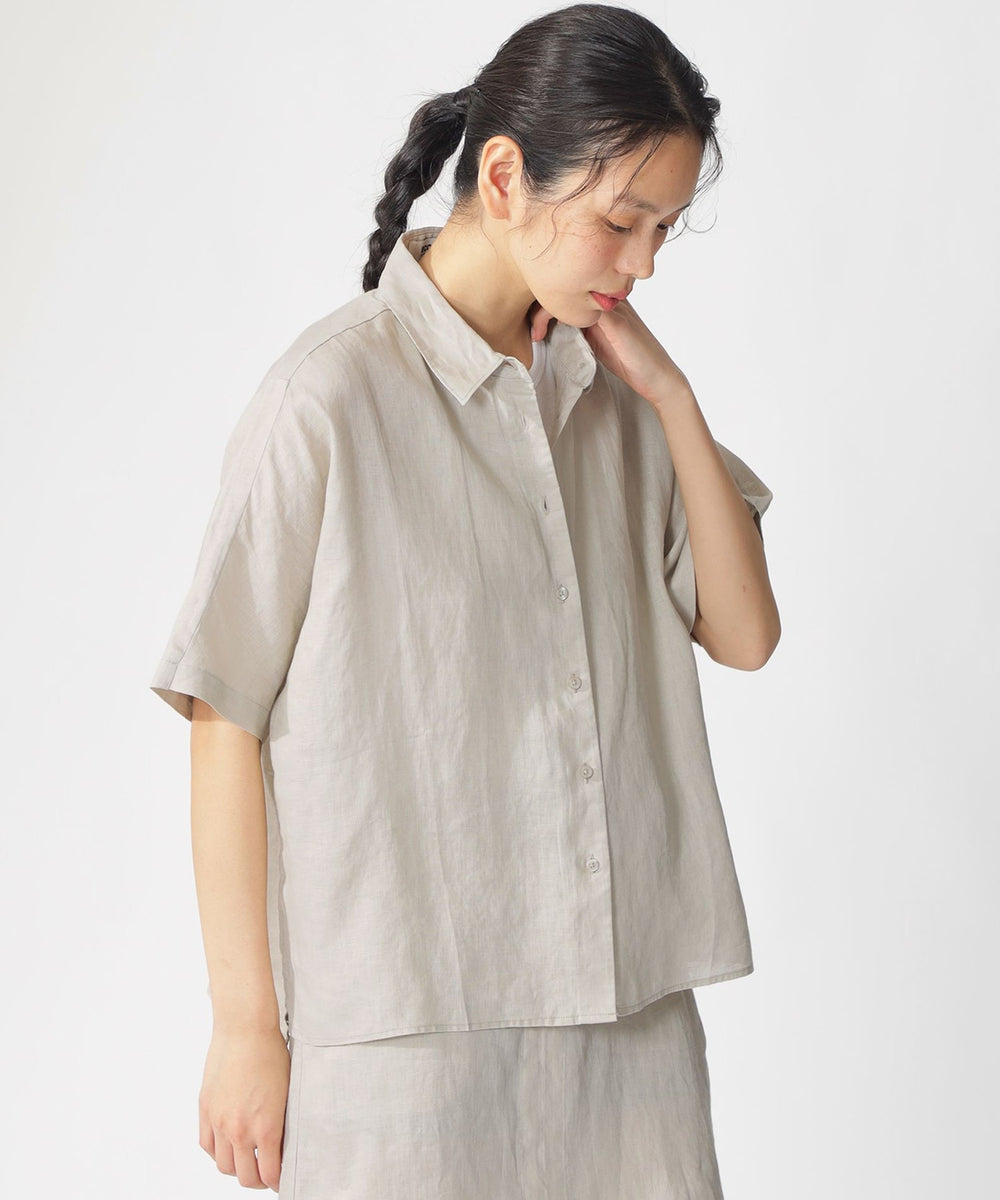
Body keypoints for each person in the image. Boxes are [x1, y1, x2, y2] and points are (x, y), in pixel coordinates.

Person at [148, 3, 780, 1196]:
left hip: (626, 1022)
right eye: (621, 222)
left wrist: (674, 399)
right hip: (404, 1037)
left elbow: (744, 635)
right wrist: (244, 1028)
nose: (643, 264)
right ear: (502, 178)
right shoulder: (326, 399)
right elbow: (223, 712)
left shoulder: (617, 396)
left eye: (663, 231)